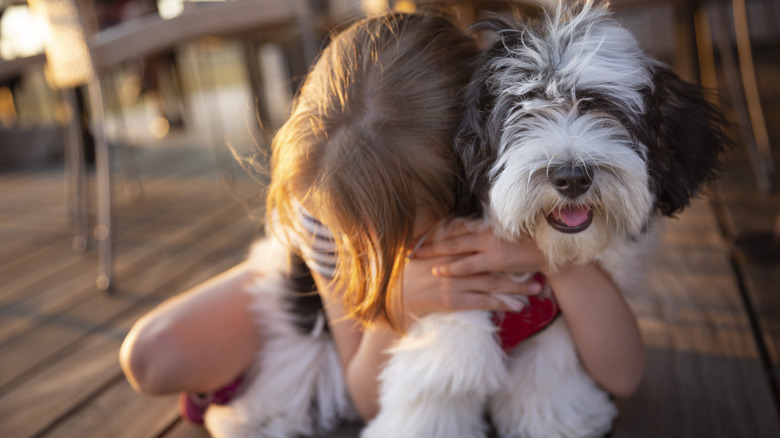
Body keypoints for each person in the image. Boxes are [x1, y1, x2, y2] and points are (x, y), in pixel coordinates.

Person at [119, 9, 646, 429]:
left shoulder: (532, 185)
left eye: (399, 231)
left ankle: (256, 381)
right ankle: (271, 377)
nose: (373, 241)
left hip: (417, 329)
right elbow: (366, 396)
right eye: (360, 232)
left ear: (467, 164)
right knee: (151, 356)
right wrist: (397, 304)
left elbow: (623, 375)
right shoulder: (328, 202)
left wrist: (549, 258)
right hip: (336, 299)